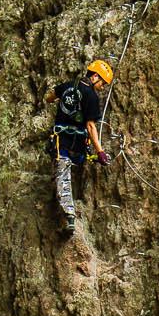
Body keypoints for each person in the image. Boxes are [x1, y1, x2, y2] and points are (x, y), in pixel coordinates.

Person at [51, 59, 114, 235]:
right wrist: (100, 152)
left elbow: (50, 97)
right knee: (64, 176)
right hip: (75, 144)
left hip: (62, 141)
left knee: (62, 173)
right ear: (95, 77)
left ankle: (67, 216)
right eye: (102, 83)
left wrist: (64, 102)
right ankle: (69, 217)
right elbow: (91, 126)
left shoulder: (68, 86)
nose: (102, 87)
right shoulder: (91, 96)